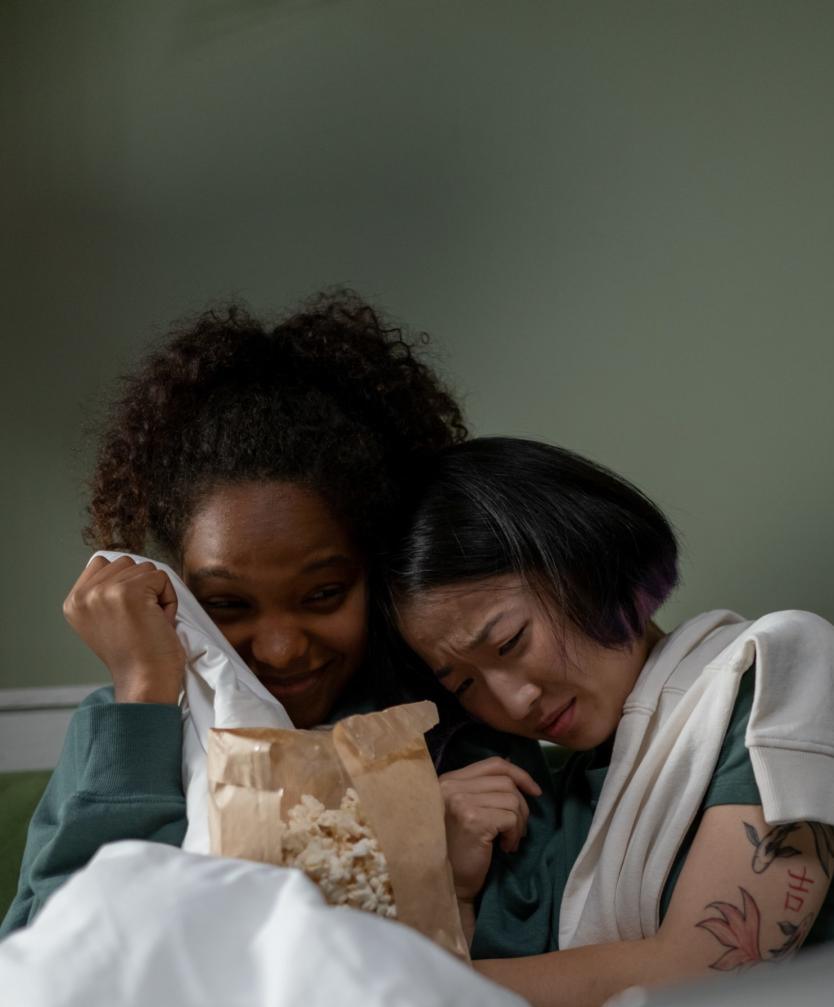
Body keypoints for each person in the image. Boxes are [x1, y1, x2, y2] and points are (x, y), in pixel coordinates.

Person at [385, 436, 834, 1007]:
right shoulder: (566, 802)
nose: (512, 699)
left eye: (510, 642)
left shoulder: (775, 670)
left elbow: (702, 976)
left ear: (583, 561)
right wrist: (451, 882)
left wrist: (426, 984)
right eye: (463, 685)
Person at [2, 297, 537, 935]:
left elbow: (524, 970)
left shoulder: (462, 720)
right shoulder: (122, 726)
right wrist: (143, 698)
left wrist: (437, 861)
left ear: (379, 569)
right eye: (227, 605)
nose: (281, 649)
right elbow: (48, 957)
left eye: (323, 594)